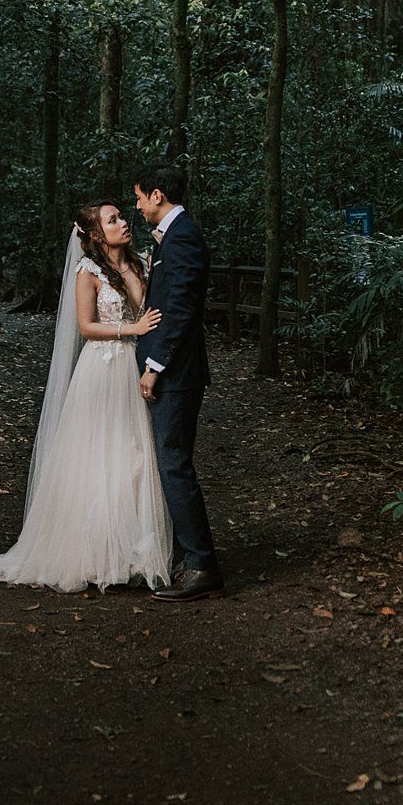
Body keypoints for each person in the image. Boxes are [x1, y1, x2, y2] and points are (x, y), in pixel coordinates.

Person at [0, 200, 174, 592]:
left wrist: (128, 271)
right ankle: (92, 554)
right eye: (113, 220)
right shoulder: (87, 271)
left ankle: (131, 552)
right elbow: (87, 326)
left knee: (135, 456)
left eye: (122, 216)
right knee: (96, 458)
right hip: (101, 369)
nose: (124, 222)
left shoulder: (140, 260)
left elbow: (147, 309)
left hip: (133, 367)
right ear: (94, 234)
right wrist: (132, 330)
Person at [132, 160, 222, 600]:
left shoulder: (183, 236)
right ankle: (188, 556)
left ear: (156, 195)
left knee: (174, 464)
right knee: (170, 463)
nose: (137, 205)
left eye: (139, 196)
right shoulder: (175, 236)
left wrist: (156, 366)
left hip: (177, 373)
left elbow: (181, 310)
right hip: (176, 370)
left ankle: (202, 565)